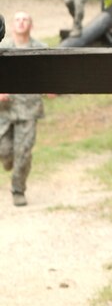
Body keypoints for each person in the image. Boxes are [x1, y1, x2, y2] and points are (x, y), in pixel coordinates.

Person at [0, 12, 53, 206]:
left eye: (25, 20)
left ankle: (18, 190)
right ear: (11, 26)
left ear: (32, 25)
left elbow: (50, 75)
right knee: (5, 152)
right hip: (4, 109)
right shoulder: (2, 49)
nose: (21, 23)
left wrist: (51, 88)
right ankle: (9, 161)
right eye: (17, 20)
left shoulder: (40, 49)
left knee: (23, 152)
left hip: (29, 108)